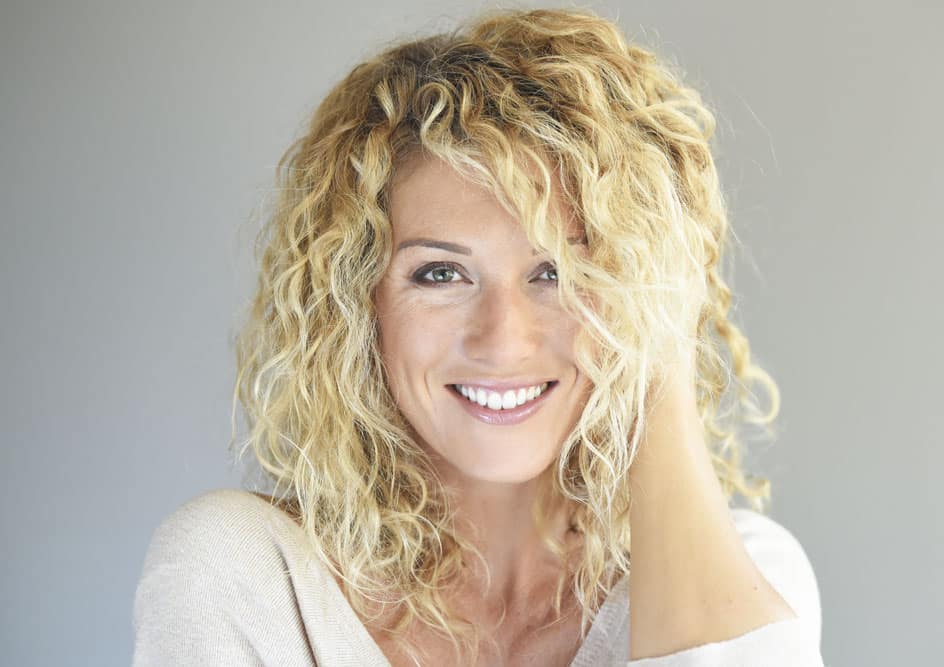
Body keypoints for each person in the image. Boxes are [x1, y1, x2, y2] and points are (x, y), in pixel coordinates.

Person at [132, 7, 824, 666]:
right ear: (359, 301)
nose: (502, 339)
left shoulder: (747, 573)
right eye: (440, 272)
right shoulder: (242, 574)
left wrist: (660, 343)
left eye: (557, 270)